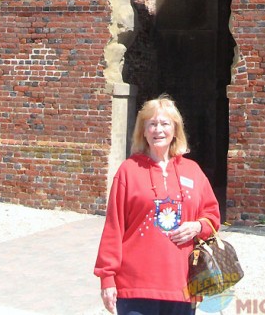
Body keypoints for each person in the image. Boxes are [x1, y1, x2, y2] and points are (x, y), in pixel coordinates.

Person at [94, 95, 220, 315]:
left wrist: (198, 227)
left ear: (175, 130)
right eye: (151, 124)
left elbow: (212, 216)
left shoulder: (193, 171)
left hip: (181, 287)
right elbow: (113, 228)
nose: (158, 130)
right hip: (135, 287)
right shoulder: (128, 171)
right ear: (143, 131)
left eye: (164, 124)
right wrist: (107, 278)